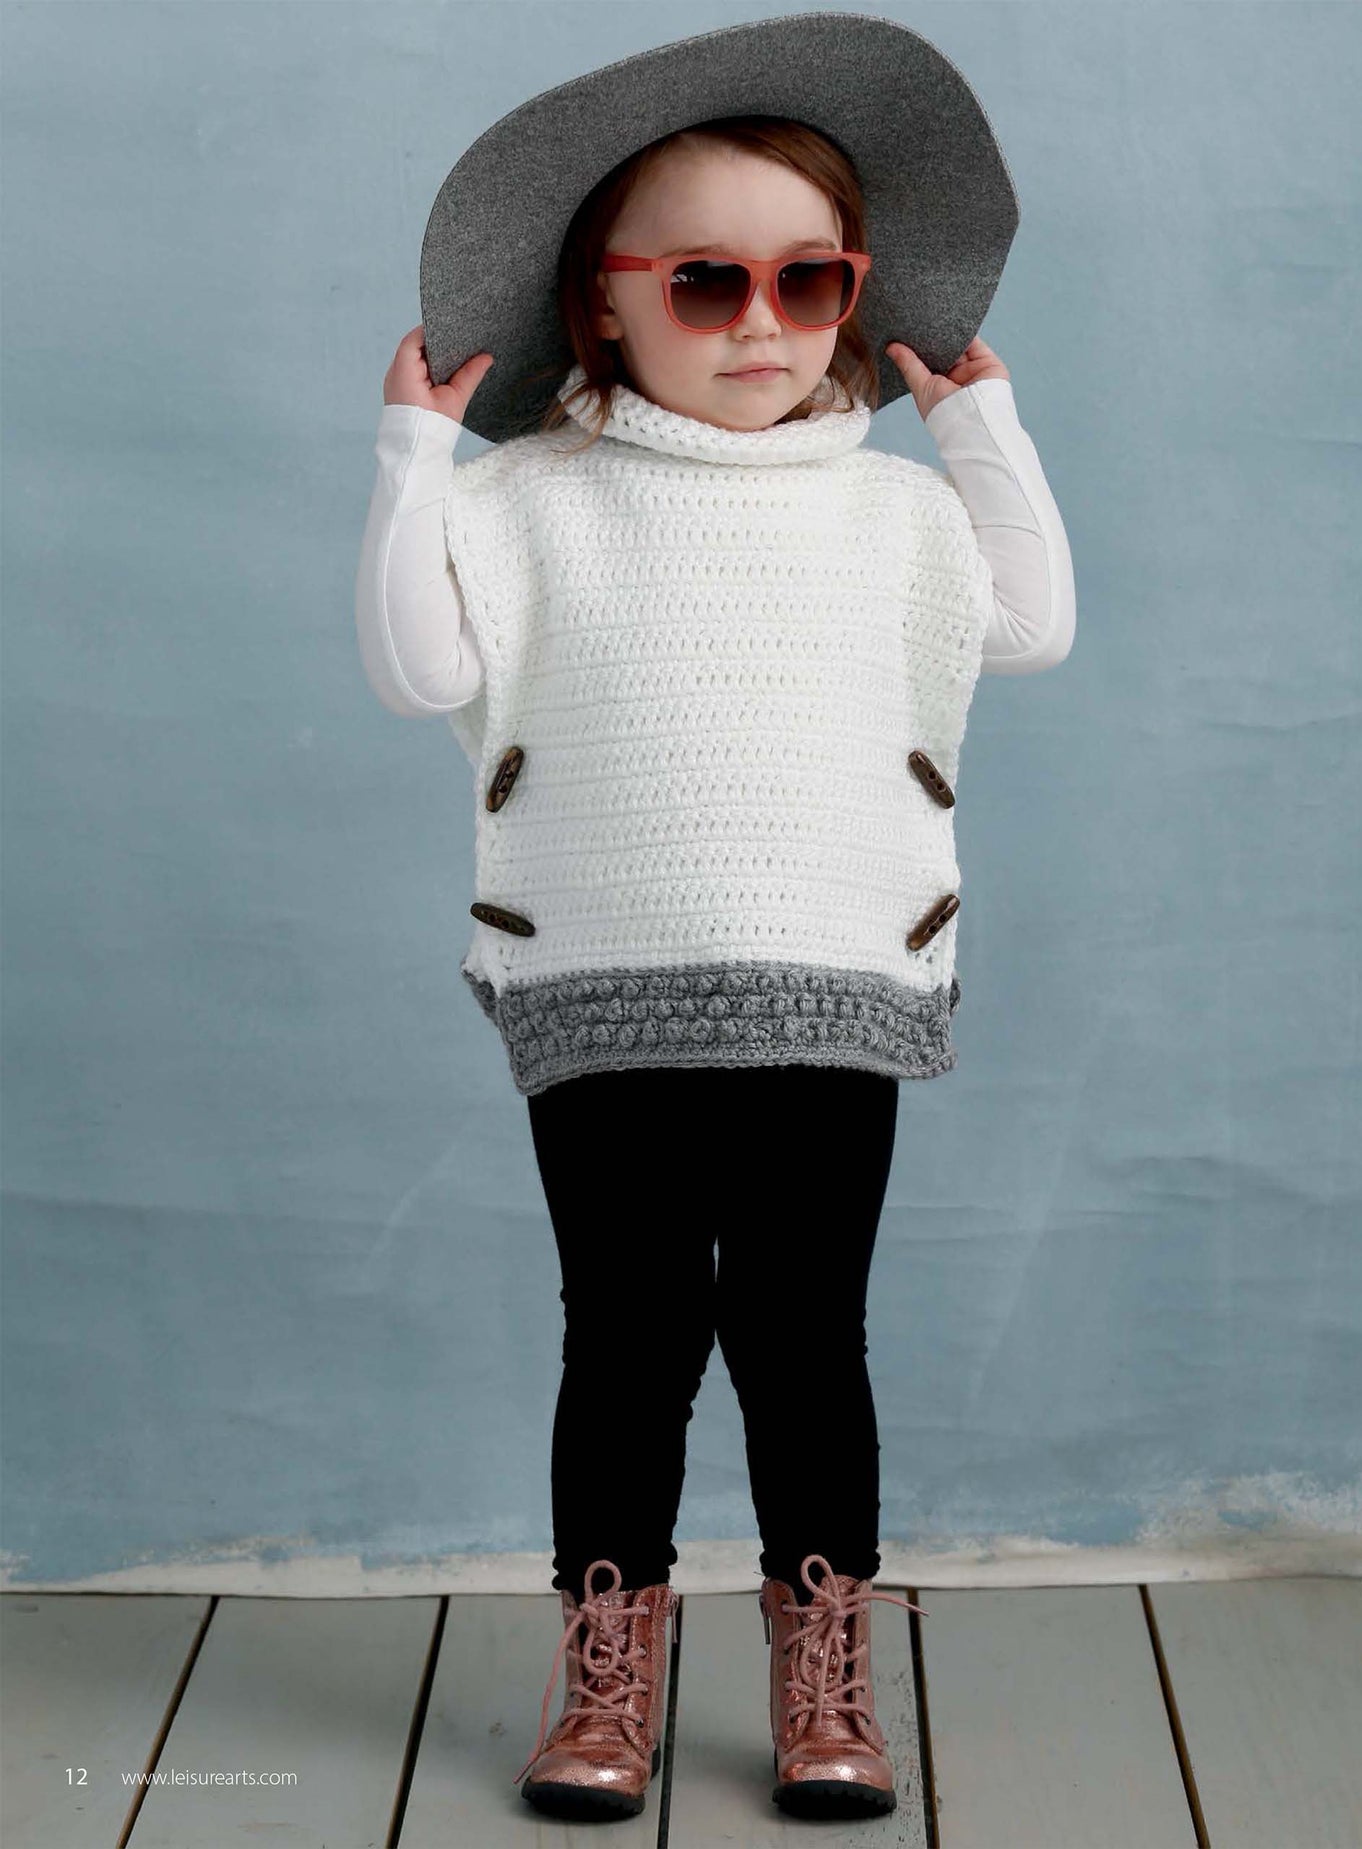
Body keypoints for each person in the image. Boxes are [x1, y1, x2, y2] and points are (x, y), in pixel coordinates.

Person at [354, 14, 1074, 1825]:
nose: (761, 322)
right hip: (601, 983)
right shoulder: (526, 502)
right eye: (704, 279)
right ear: (601, 303)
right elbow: (415, 665)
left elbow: (1033, 623)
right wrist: (410, 464)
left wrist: (977, 420)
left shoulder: (891, 515)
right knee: (627, 1334)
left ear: (852, 296)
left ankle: (823, 1670)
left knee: (806, 1334)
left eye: (808, 279)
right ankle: (608, 1674)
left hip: (834, 977)